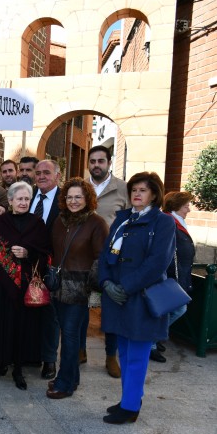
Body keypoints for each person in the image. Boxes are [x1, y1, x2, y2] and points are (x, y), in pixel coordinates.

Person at [99, 172, 175, 424]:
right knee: (124, 351)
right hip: (117, 296)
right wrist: (106, 283)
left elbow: (157, 264)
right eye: (134, 189)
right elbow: (105, 254)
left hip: (140, 298)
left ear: (154, 194)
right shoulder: (123, 219)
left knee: (137, 356)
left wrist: (126, 286)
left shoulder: (162, 222)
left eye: (143, 189)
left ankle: (130, 408)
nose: (137, 194)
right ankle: (128, 399)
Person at [0, 181, 52, 390]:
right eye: (19, 198)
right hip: (0, 286)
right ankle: (0, 365)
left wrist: (28, 253)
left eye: (27, 199)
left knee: (22, 328)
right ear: (10, 200)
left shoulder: (37, 224)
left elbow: (46, 256)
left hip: (25, 289)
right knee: (1, 325)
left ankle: (18, 369)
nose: (23, 202)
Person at [46, 178, 109, 400]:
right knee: (66, 333)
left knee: (71, 336)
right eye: (69, 197)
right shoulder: (60, 221)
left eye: (78, 197)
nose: (73, 201)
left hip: (79, 289)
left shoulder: (96, 223)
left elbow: (101, 259)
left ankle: (64, 383)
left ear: (87, 198)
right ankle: (72, 378)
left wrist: (92, 288)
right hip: (57, 287)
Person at [82, 145, 129, 377]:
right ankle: (80, 349)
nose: (96, 165)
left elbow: (129, 221)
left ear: (109, 163)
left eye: (101, 161)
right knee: (79, 304)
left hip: (112, 257)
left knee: (110, 307)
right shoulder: (80, 186)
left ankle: (111, 356)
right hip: (82, 255)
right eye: (92, 161)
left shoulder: (123, 188)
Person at [149, 191, 195, 363]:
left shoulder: (177, 221)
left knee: (170, 310)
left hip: (177, 276)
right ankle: (151, 341)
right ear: (177, 206)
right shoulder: (169, 222)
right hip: (169, 277)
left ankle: (155, 338)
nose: (188, 209)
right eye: (186, 206)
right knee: (177, 309)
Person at [29, 159, 62, 380]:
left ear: (57, 175)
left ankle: (49, 359)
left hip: (52, 266)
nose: (41, 176)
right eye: (38, 172)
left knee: (50, 316)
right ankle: (31, 354)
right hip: (26, 264)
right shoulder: (28, 195)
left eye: (46, 172)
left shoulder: (65, 201)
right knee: (29, 311)